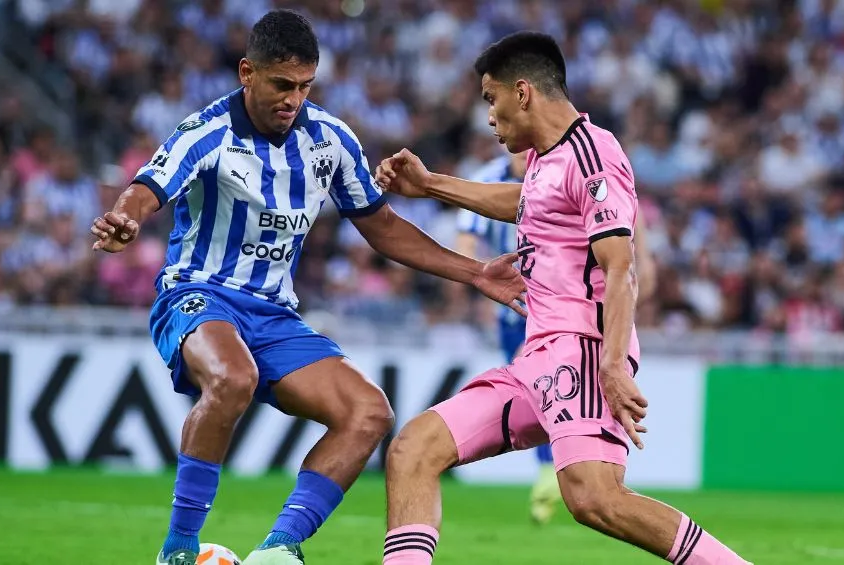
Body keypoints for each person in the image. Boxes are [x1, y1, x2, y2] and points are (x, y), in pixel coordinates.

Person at [89, 11, 525, 565]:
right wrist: (125, 219)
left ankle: (279, 550)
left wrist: (475, 270)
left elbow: (382, 227)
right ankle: (176, 551)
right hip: (198, 294)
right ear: (247, 72)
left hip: (273, 314)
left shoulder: (331, 140)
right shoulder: (207, 132)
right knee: (231, 377)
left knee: (369, 412)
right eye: (280, 84)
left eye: (304, 86)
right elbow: (147, 187)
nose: (292, 99)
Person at [375, 32, 751, 565]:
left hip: (583, 353)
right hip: (537, 358)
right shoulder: (545, 161)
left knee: (595, 499)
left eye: (491, 98)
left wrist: (614, 365)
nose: (489, 115)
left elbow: (621, 269)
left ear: (522, 92)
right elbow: (523, 202)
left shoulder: (593, 152)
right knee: (413, 449)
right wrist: (432, 185)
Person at [457, 150, 660, 526]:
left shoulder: (573, 167)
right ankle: (556, 470)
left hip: (565, 308)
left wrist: (638, 277)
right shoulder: (488, 177)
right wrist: (479, 275)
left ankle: (559, 472)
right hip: (515, 306)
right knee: (540, 391)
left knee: (550, 384)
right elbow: (467, 239)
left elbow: (631, 240)